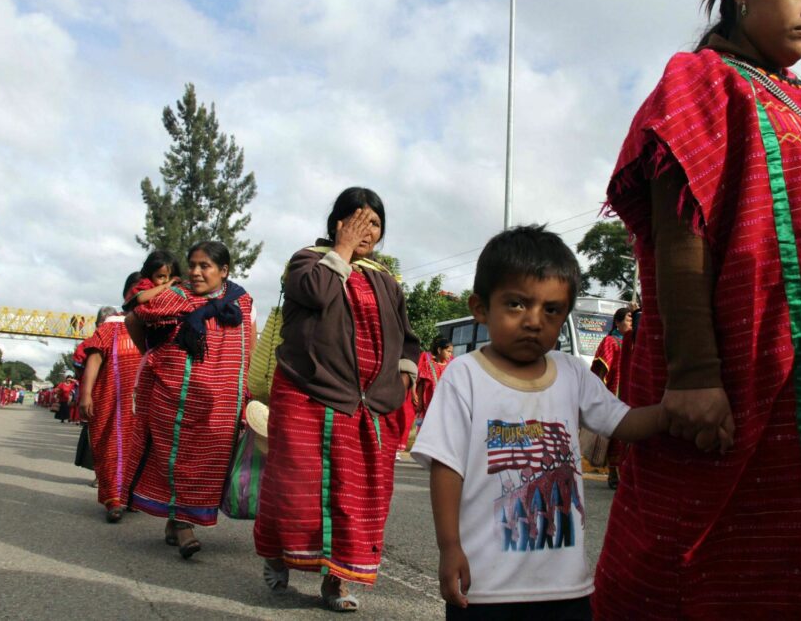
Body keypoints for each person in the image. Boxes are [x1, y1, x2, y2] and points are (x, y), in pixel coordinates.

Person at [593, 0, 801, 618]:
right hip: (737, 377)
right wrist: (694, 374)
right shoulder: (701, 83)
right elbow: (682, 234)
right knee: (689, 558)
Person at [410, 226, 666, 620]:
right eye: (516, 304)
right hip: (485, 591)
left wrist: (674, 412)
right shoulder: (465, 376)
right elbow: (447, 467)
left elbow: (624, 422)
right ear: (481, 307)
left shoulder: (572, 373)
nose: (534, 321)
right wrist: (449, 548)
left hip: (567, 590)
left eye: (551, 310)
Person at [254, 187, 421, 612]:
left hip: (369, 408)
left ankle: (337, 582)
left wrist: (405, 372)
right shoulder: (308, 261)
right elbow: (317, 294)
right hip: (308, 395)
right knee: (294, 490)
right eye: (359, 220)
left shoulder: (386, 279)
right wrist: (341, 250)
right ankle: (279, 556)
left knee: (357, 498)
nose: (368, 230)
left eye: (376, 223)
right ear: (338, 222)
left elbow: (408, 337)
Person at [126, 241, 254, 559]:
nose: (196, 272)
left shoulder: (242, 301)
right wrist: (150, 355)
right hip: (174, 396)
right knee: (179, 458)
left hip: (221, 402)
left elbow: (249, 342)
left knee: (207, 462)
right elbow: (134, 316)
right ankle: (185, 526)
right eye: (192, 265)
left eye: (205, 266)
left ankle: (175, 518)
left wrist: (245, 391)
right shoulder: (175, 296)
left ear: (224, 271)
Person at [79, 292, 142, 523]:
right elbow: (93, 361)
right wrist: (86, 395)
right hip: (110, 400)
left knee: (137, 447)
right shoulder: (109, 328)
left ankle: (132, 496)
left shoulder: (154, 327)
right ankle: (113, 499)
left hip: (140, 403)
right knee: (111, 445)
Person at [589, 308, 632, 488]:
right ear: (617, 322)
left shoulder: (635, 342)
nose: (631, 324)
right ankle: (614, 474)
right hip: (615, 392)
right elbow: (600, 369)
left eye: (632, 320)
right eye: (628, 320)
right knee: (615, 434)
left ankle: (627, 474)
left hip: (631, 392)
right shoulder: (610, 341)